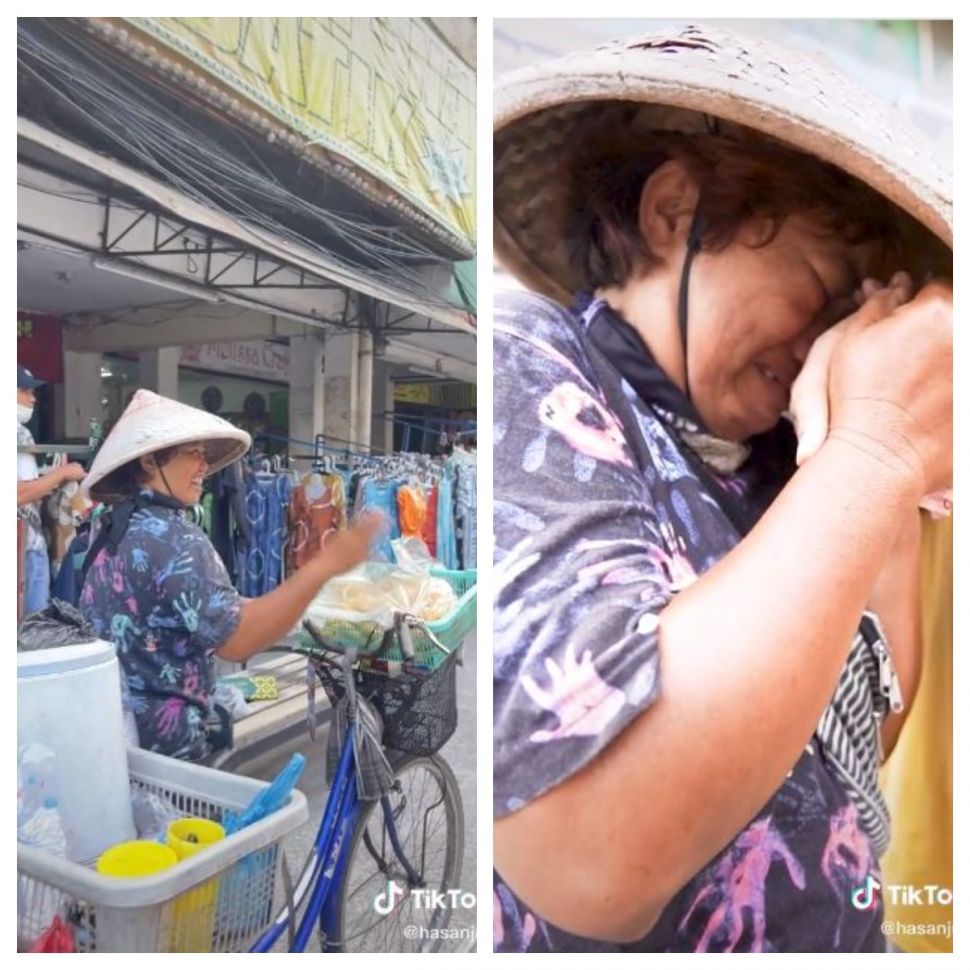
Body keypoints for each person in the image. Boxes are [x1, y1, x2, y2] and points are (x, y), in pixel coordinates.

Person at [492, 24, 952, 953]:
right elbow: (588, 855)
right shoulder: (528, 364)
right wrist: (871, 447)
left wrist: (875, 478)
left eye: (857, 321)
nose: (828, 344)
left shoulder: (777, 461)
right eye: (823, 291)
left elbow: (864, 737)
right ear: (672, 212)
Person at [79, 389, 381, 763]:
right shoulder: (173, 538)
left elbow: (169, 611)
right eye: (194, 453)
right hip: (170, 757)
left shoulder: (108, 525)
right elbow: (237, 642)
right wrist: (326, 566)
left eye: (205, 455)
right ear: (149, 462)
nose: (204, 466)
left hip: (111, 739)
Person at [17, 365, 86, 614]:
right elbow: (17, 494)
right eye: (24, 390)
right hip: (22, 549)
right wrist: (62, 473)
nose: (32, 398)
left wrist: (50, 482)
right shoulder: (17, 433)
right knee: (31, 632)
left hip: (28, 544)